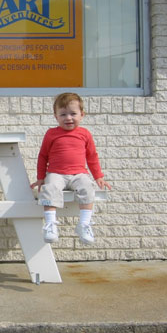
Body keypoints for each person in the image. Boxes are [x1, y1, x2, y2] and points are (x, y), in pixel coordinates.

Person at [30, 92, 111, 245]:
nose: (68, 118)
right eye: (63, 114)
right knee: (50, 188)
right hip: (56, 173)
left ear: (82, 115)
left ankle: (84, 224)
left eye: (73, 113)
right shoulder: (51, 134)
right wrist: (41, 178)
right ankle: (50, 225)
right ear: (56, 116)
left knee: (87, 187)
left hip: (79, 173)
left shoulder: (84, 134)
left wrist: (98, 176)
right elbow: (43, 156)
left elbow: (92, 156)